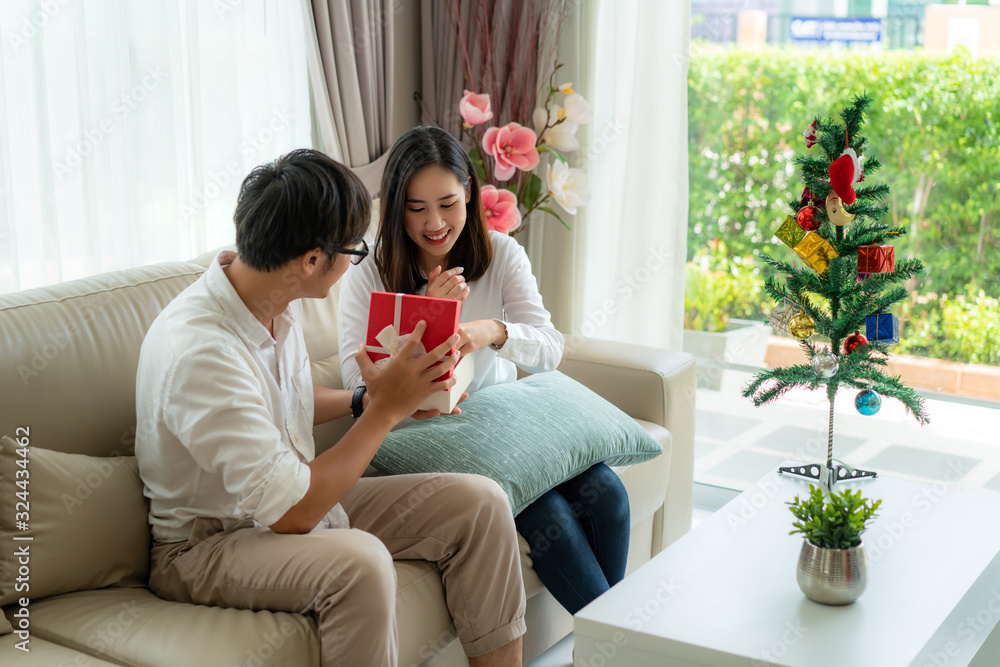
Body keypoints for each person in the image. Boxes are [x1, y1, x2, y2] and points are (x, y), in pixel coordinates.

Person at [135, 149, 526, 667]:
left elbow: (283, 399)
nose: (357, 259)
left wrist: (367, 397)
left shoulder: (270, 297)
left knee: (480, 503)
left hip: (280, 498)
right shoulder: (201, 352)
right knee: (362, 563)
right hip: (208, 543)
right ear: (312, 260)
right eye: (354, 249)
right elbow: (294, 513)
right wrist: (384, 411)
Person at [338, 126, 631, 615]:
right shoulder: (368, 271)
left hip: (501, 426)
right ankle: (620, 645)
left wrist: (492, 331)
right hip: (415, 435)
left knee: (608, 494)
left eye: (448, 203)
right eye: (416, 208)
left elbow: (550, 350)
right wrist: (424, 317)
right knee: (547, 512)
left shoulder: (501, 254)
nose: (435, 223)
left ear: (470, 194)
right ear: (394, 208)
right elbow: (357, 386)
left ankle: (607, 644)